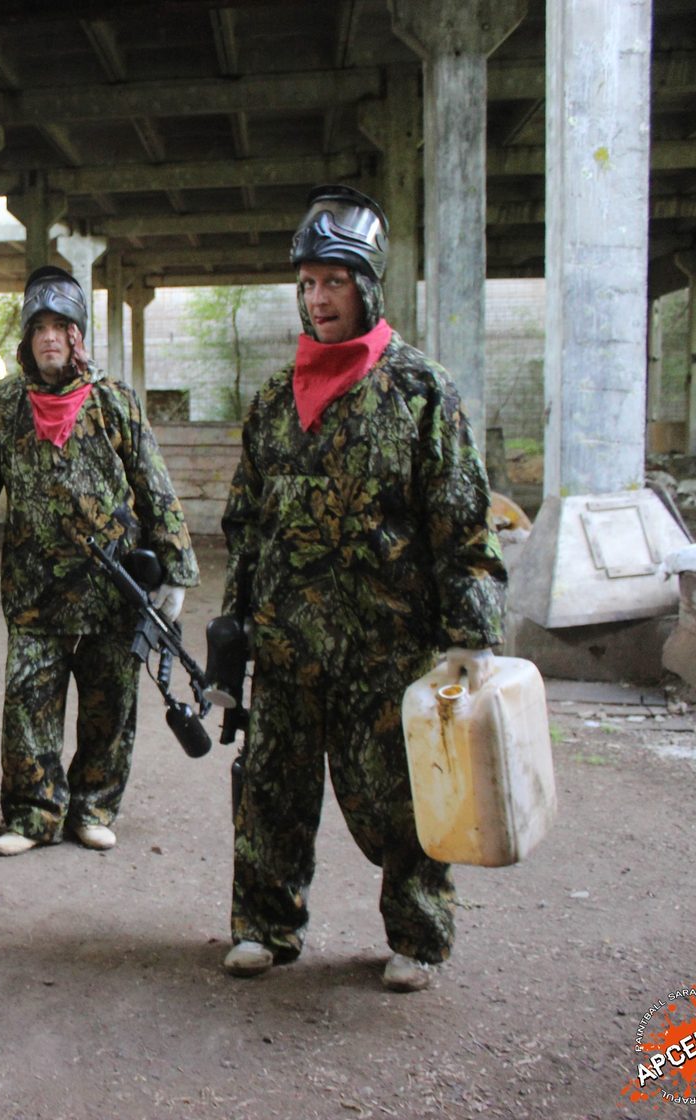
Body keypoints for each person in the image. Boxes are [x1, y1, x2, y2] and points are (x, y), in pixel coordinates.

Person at [219, 185, 506, 992]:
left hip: (387, 650)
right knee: (270, 792)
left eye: (334, 283)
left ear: (367, 286)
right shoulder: (276, 400)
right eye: (308, 283)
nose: (318, 299)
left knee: (405, 799)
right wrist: (233, 629)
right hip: (287, 647)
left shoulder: (421, 392)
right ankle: (264, 927)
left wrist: (471, 636)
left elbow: (461, 520)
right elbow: (247, 520)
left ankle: (417, 934)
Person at [0, 265, 197, 857]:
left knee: (109, 705)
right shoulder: (5, 409)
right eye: (39, 327)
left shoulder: (114, 402)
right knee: (28, 704)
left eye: (60, 327)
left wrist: (176, 569)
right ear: (27, 338)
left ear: (77, 336)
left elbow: (154, 485)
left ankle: (93, 808)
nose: (49, 337)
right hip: (35, 593)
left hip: (112, 591)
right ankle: (33, 815)